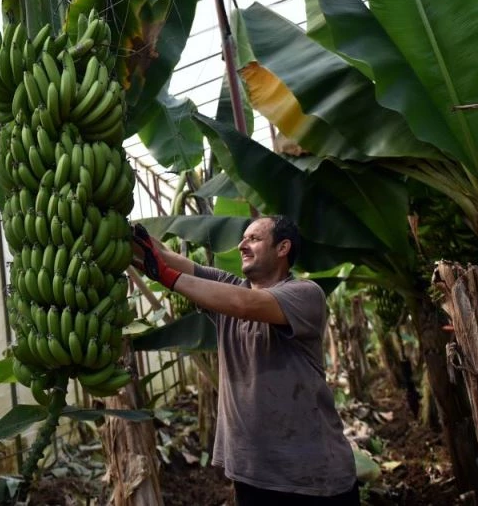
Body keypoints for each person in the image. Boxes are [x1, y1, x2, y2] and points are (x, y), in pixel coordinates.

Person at [132, 215, 359, 506]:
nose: (241, 245)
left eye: (254, 238)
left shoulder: (305, 294)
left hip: (312, 479)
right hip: (252, 475)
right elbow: (164, 255)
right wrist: (125, 231)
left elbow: (244, 305)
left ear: (283, 248)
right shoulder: (225, 286)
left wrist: (165, 275)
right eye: (242, 238)